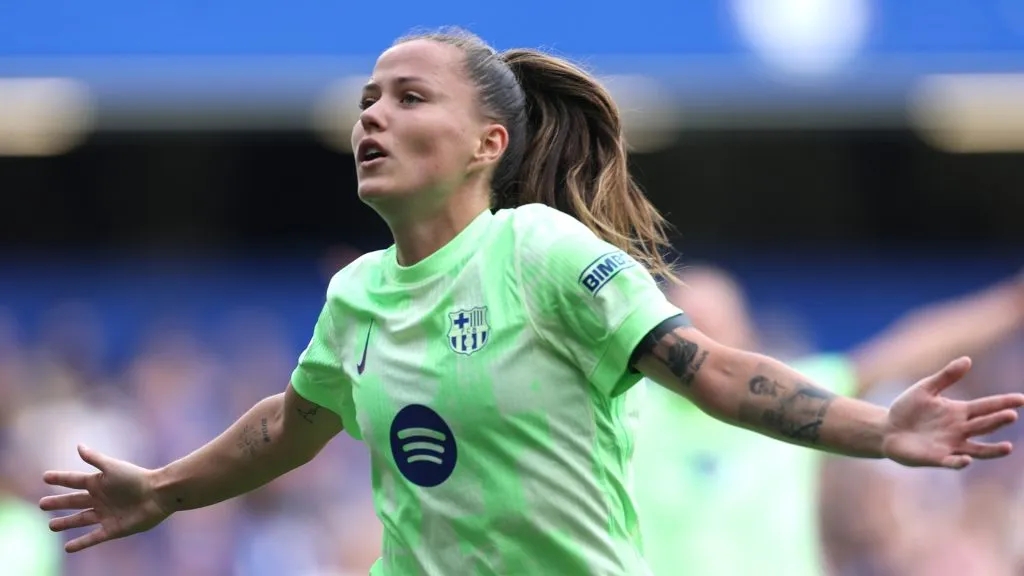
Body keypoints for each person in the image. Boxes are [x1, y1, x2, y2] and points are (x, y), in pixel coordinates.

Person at [38, 28, 1024, 575]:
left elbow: (715, 370)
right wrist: (164, 488)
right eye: (367, 100)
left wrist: (879, 430)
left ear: (486, 146)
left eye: (409, 97)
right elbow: (290, 424)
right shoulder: (356, 296)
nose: (373, 116)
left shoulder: (540, 253)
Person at [632, 264, 1024, 576]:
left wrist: (1013, 302)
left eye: (716, 319)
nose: (704, 332)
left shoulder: (785, 400)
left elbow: (903, 349)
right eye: (690, 320)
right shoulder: (633, 410)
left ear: (745, 330)